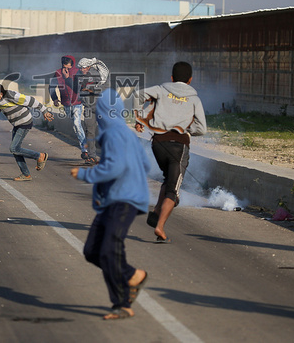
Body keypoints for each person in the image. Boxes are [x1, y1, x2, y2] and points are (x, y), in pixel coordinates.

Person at [70, 89, 150, 320]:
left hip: (125, 199)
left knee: (108, 249)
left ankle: (122, 303)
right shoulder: (124, 133)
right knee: (92, 251)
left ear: (103, 112)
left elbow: (113, 168)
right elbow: (144, 164)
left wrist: (86, 175)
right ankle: (133, 275)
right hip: (112, 199)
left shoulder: (115, 133)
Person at [135, 61, 206, 243]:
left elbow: (137, 94)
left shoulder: (161, 89)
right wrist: (187, 130)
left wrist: (139, 116)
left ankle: (157, 210)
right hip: (179, 146)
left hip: (158, 144)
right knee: (173, 191)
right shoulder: (194, 99)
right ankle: (160, 226)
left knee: (168, 179)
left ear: (172, 78)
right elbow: (202, 128)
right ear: (190, 80)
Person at [0, 82, 52, 181]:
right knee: (16, 151)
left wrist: (44, 110)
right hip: (16, 124)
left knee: (14, 148)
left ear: (0, 93)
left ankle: (40, 156)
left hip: (25, 122)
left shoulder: (12, 96)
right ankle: (26, 174)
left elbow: (31, 100)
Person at [49, 55, 88, 161]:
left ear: (73, 66)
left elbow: (77, 88)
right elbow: (51, 87)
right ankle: (84, 143)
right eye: (64, 67)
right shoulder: (57, 73)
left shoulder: (77, 72)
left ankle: (85, 150)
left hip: (77, 103)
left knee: (77, 123)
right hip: (66, 104)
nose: (66, 69)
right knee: (75, 127)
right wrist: (55, 98)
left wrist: (67, 78)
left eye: (69, 68)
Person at [77, 57, 110, 163]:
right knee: (89, 131)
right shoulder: (80, 76)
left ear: (89, 66)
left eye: (84, 68)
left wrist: (91, 89)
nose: (82, 70)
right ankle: (92, 156)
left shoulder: (99, 75)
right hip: (88, 108)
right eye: (81, 68)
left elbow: (106, 87)